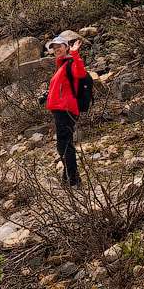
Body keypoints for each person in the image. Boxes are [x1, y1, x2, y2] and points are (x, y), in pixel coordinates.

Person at [44, 29, 87, 187]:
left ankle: (73, 180)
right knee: (64, 144)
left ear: (67, 47)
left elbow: (81, 73)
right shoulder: (61, 66)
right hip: (59, 109)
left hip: (66, 109)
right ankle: (68, 178)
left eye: (59, 46)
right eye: (54, 48)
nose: (56, 49)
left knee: (64, 145)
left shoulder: (70, 63)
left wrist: (75, 54)